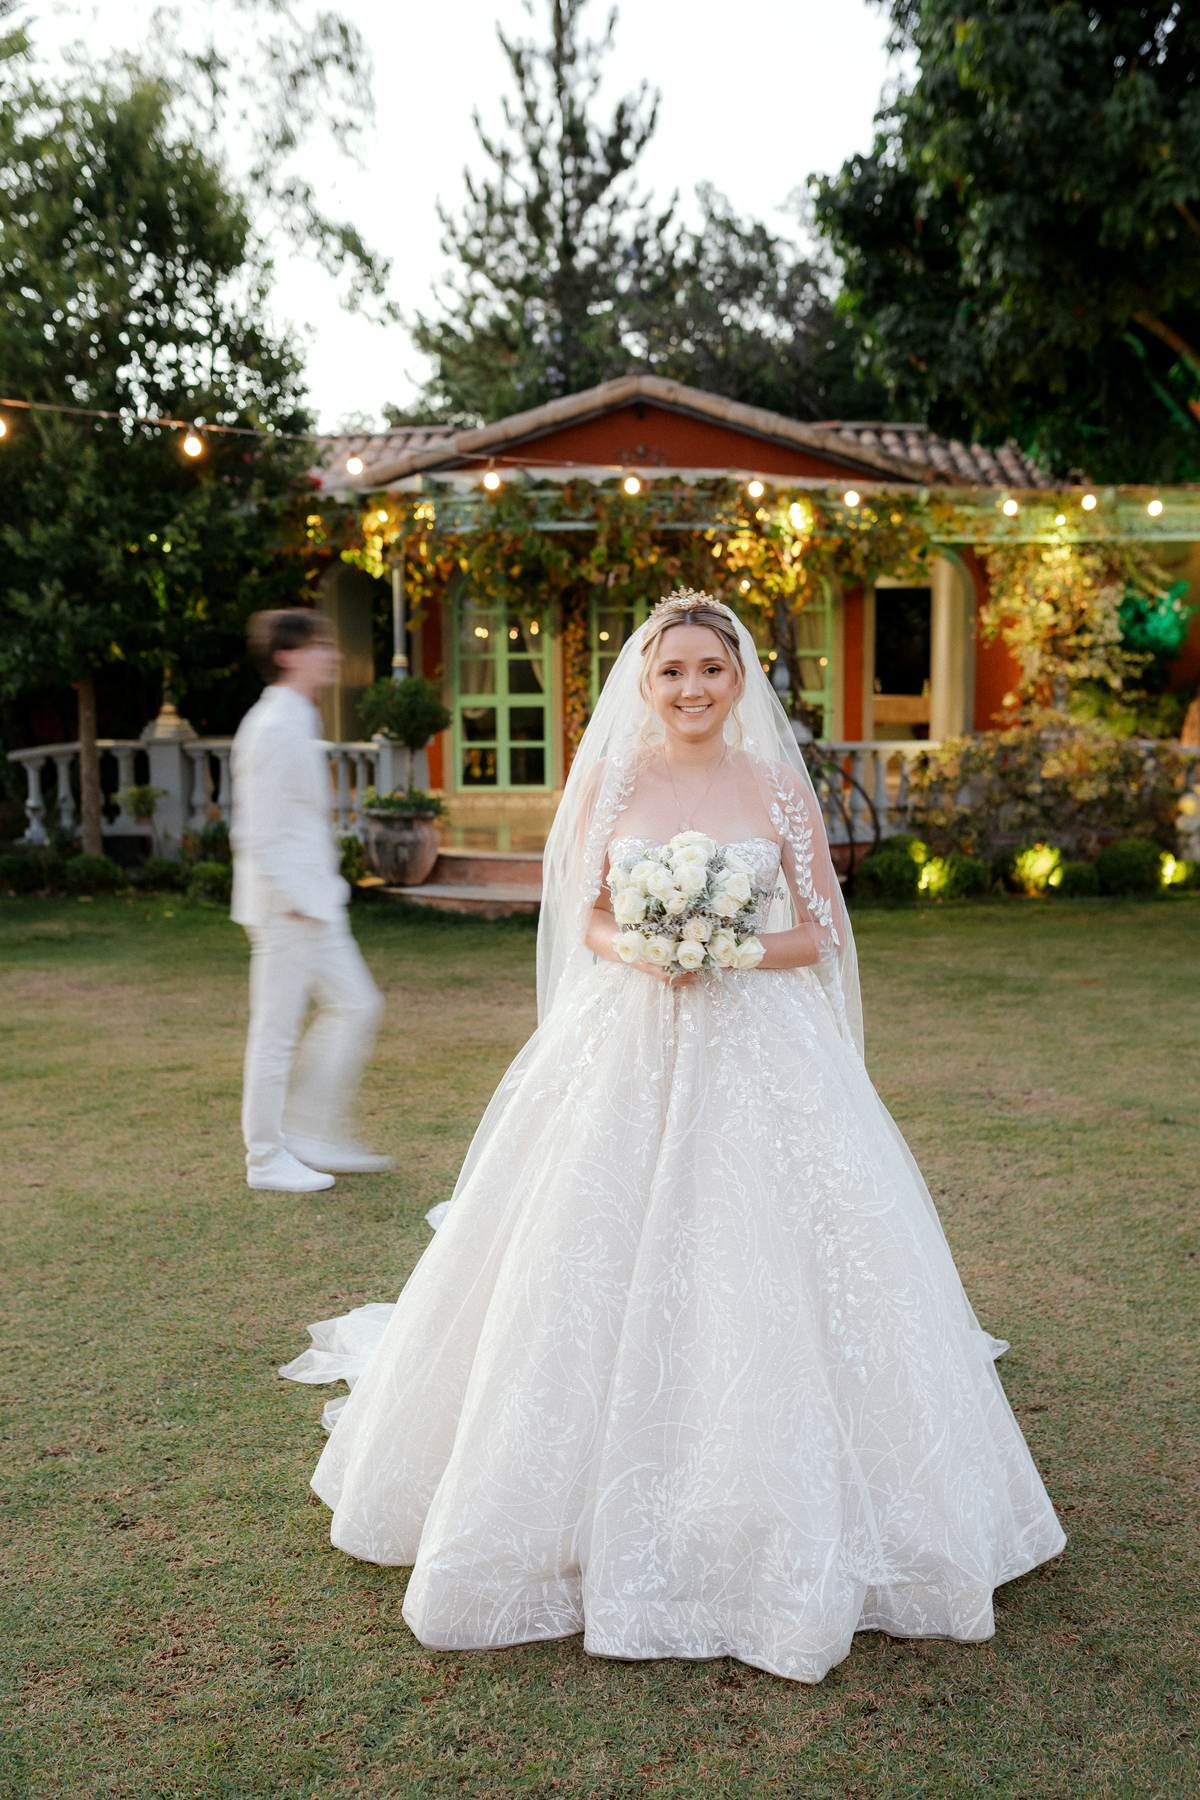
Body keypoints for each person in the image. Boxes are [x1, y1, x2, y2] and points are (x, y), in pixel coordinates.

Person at [280, 591, 1065, 1684]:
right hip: (628, 1033)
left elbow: (824, 932)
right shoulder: (613, 777)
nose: (692, 688)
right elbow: (585, 913)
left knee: (769, 1250)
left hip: (762, 1039)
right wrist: (647, 948)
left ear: (739, 680)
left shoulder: (775, 785)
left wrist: (729, 950)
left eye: (711, 669)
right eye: (672, 671)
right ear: (644, 685)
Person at [231, 608, 390, 1194]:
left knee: (358, 1005)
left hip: (315, 904)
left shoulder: (298, 716)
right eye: (319, 645)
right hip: (287, 907)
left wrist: (319, 895)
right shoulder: (273, 724)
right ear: (287, 656)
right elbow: (258, 831)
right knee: (275, 1034)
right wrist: (295, 898)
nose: (332, 654)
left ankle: (314, 1132)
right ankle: (265, 1158)